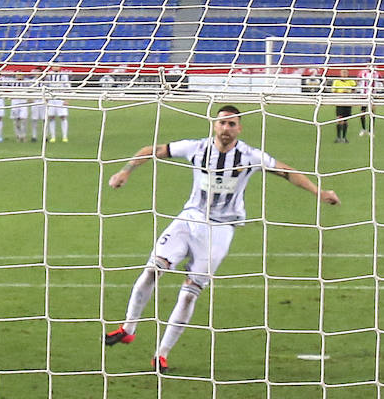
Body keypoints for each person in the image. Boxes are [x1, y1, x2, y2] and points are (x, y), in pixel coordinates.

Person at [103, 106, 340, 374]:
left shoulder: (250, 156)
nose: (226, 128)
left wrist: (318, 191)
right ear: (214, 125)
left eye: (232, 124)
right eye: (222, 123)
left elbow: (286, 171)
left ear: (239, 129)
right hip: (189, 219)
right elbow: (151, 149)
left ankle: (162, 353)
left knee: (190, 292)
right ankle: (128, 328)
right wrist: (125, 171)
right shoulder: (196, 148)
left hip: (221, 229)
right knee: (153, 269)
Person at [329, 72, 356, 143]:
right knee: (339, 119)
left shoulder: (351, 81)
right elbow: (333, 91)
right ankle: (338, 137)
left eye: (345, 73)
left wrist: (349, 92)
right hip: (340, 101)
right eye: (343, 73)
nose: (344, 74)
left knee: (345, 120)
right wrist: (341, 93)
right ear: (340, 74)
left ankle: (344, 137)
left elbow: (354, 90)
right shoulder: (336, 82)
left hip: (348, 102)